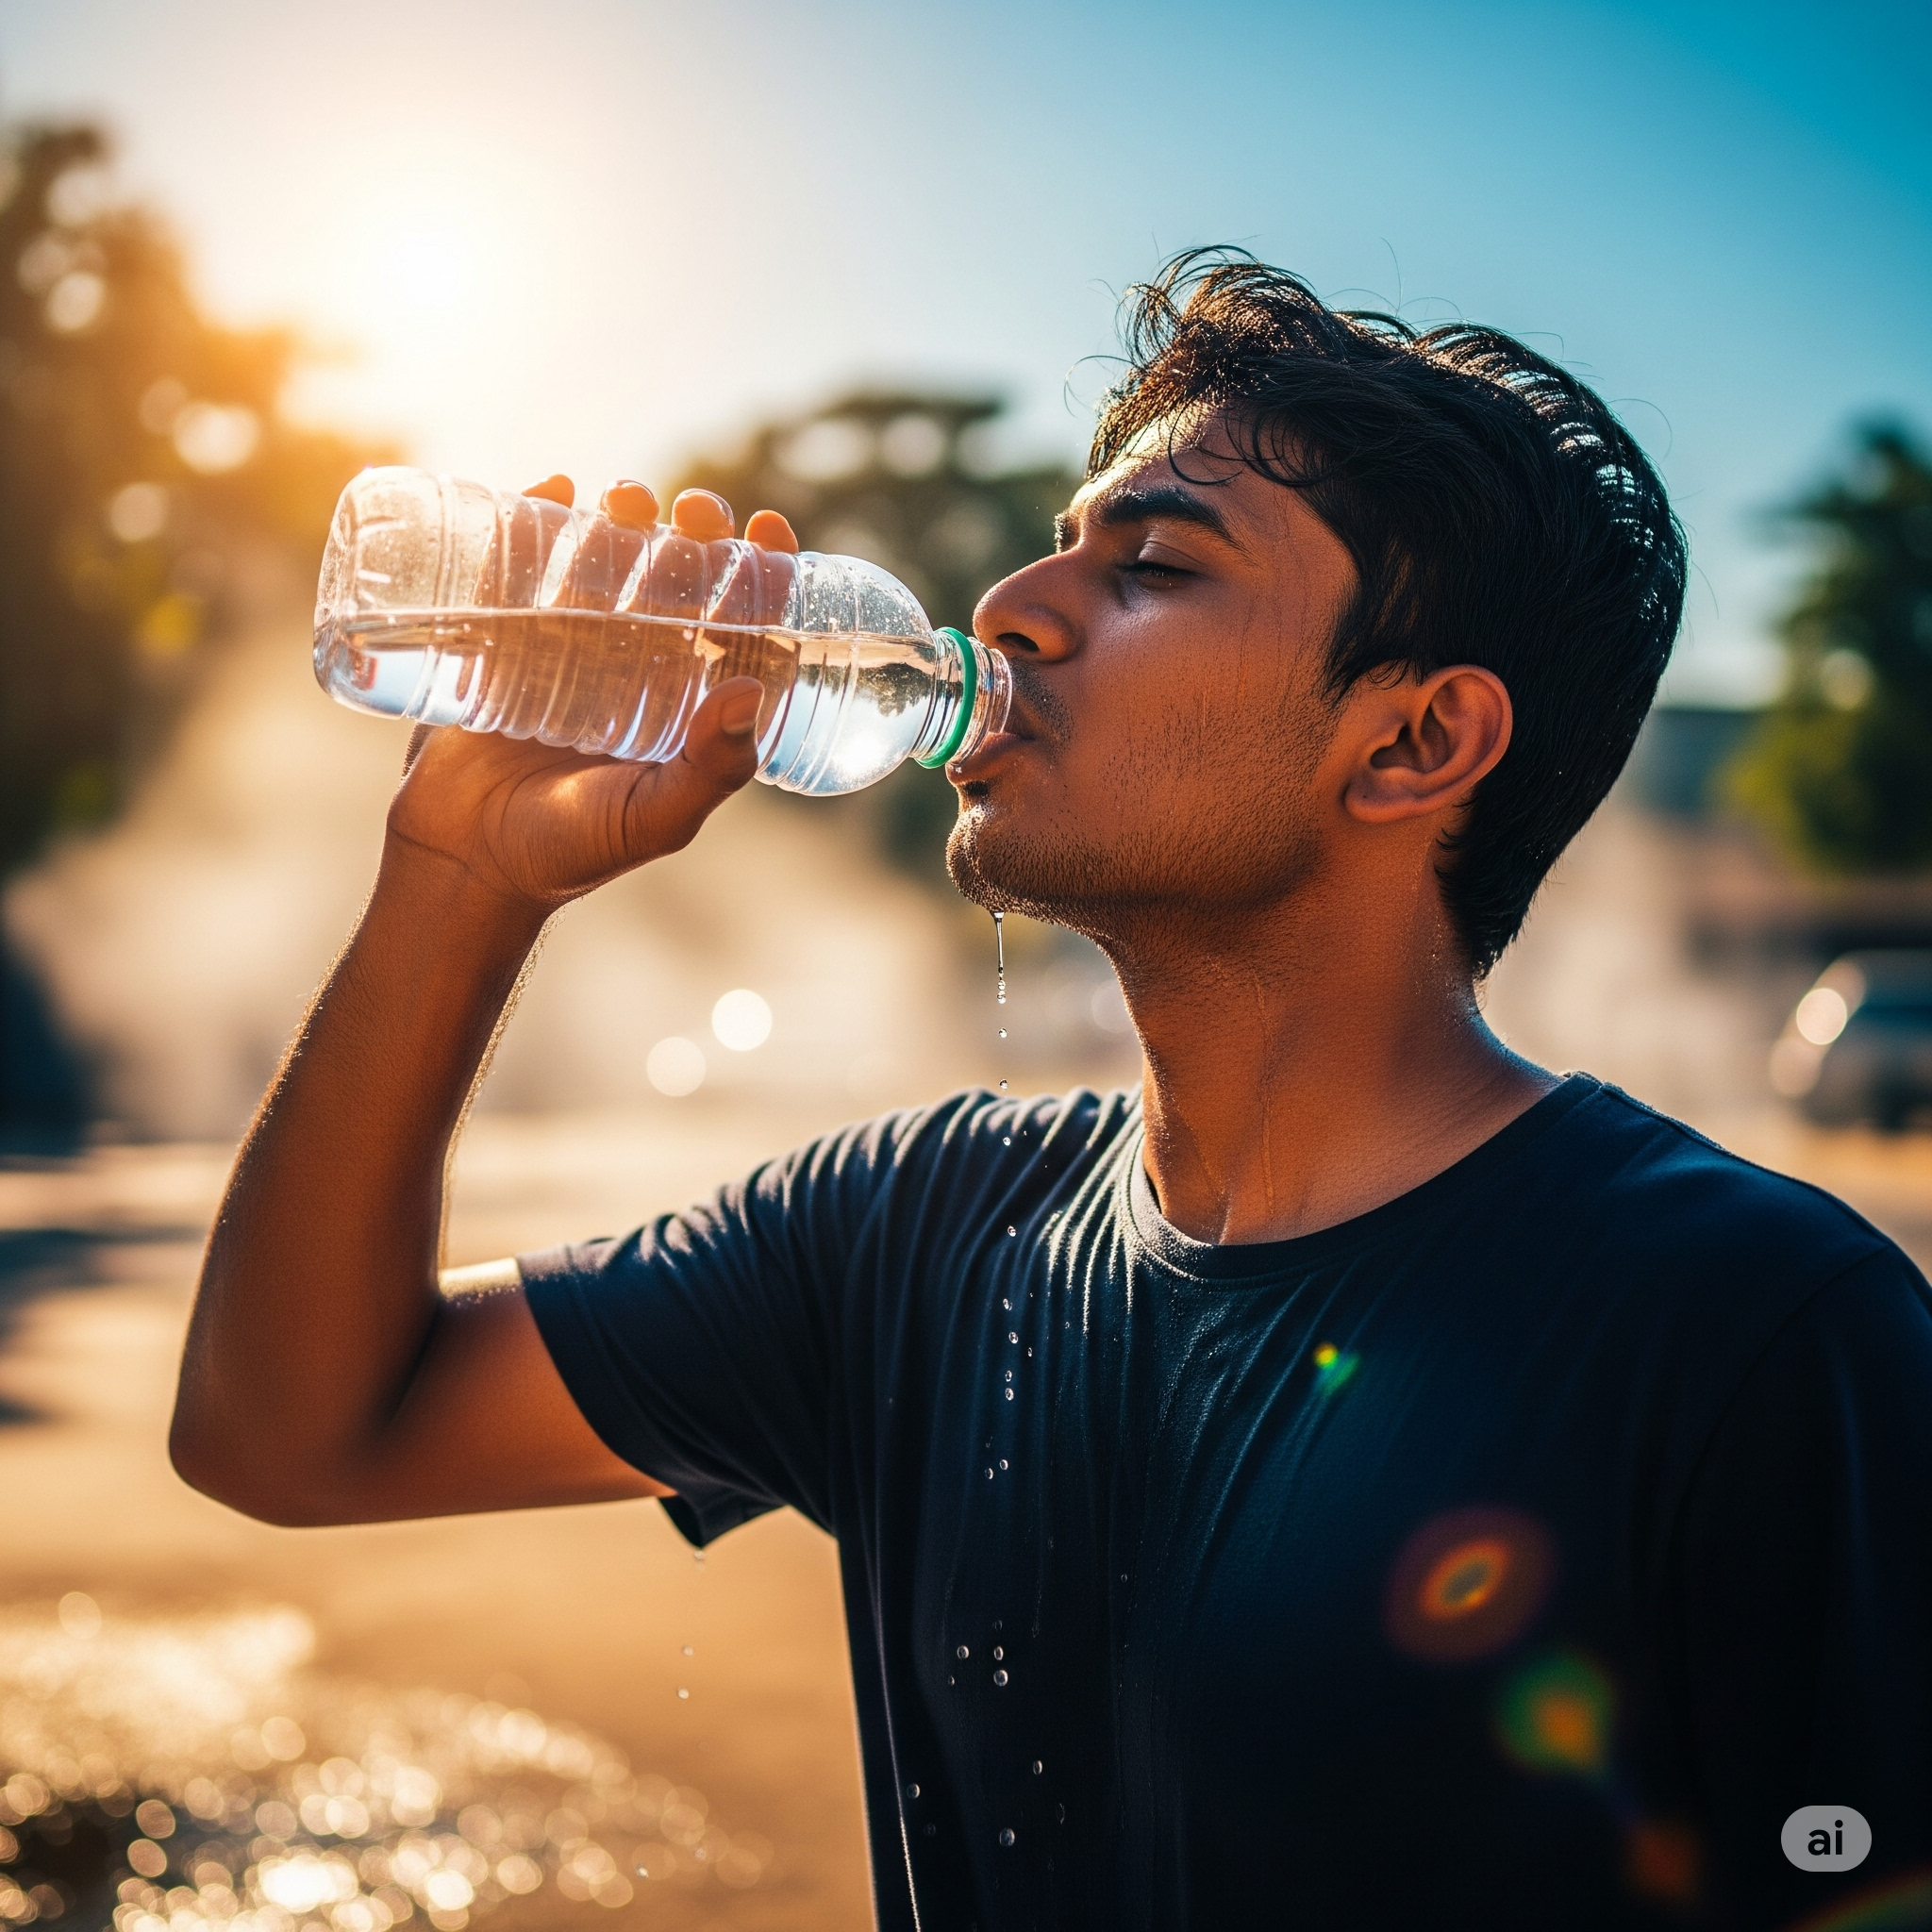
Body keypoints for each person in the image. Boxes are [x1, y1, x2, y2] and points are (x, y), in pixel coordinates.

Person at [171, 254, 1932, 1931]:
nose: (1012, 606)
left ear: (1413, 743)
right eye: (1062, 543)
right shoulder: (911, 1234)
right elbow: (291, 1430)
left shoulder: (1754, 1330)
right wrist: (464, 881)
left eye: (1156, 566)